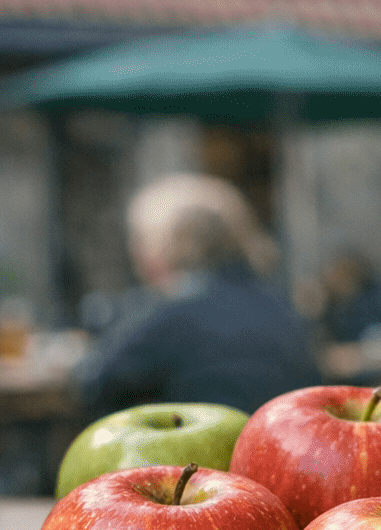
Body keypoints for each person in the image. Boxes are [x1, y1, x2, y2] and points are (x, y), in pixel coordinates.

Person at [75, 174, 322, 416]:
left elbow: (93, 383)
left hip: (196, 454)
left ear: (161, 243)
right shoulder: (282, 305)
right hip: (276, 448)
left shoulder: (170, 309)